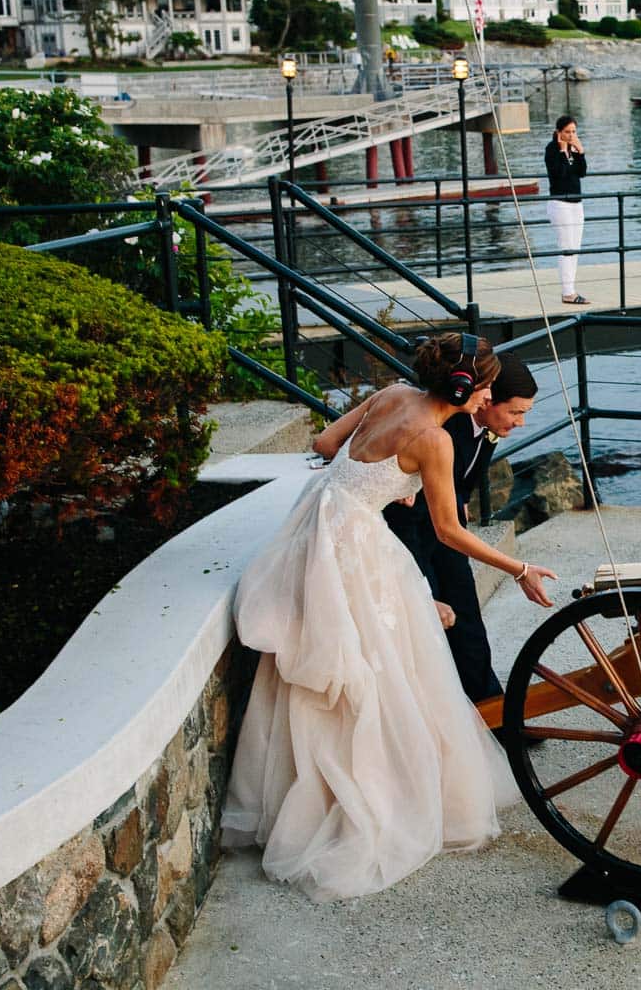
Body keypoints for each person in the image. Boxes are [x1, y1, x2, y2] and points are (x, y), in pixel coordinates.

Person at [222, 334, 557, 901]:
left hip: (317, 527)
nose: (486, 399)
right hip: (358, 547)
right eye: (483, 390)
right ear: (461, 387)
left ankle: (294, 799)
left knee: (336, 666)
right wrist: (519, 565)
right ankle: (371, 796)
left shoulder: (392, 393)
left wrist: (384, 484)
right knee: (379, 672)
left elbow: (329, 444)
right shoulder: (434, 440)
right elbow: (449, 531)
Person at [383, 353, 537, 704]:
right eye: (515, 412)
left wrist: (462, 496)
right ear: (485, 398)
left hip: (448, 530)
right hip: (406, 534)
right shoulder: (440, 429)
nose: (521, 422)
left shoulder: (485, 428)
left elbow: (463, 480)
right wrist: (519, 569)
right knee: (428, 623)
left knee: (466, 615)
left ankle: (492, 708)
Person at [543, 115, 588, 305]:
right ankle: (567, 291)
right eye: (567, 132)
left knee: (575, 247)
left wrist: (581, 151)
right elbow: (558, 174)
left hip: (576, 203)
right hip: (560, 204)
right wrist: (562, 152)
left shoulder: (573, 148)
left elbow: (581, 172)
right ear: (559, 132)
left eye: (573, 132)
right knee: (566, 247)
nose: (571, 135)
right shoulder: (552, 150)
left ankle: (572, 288)